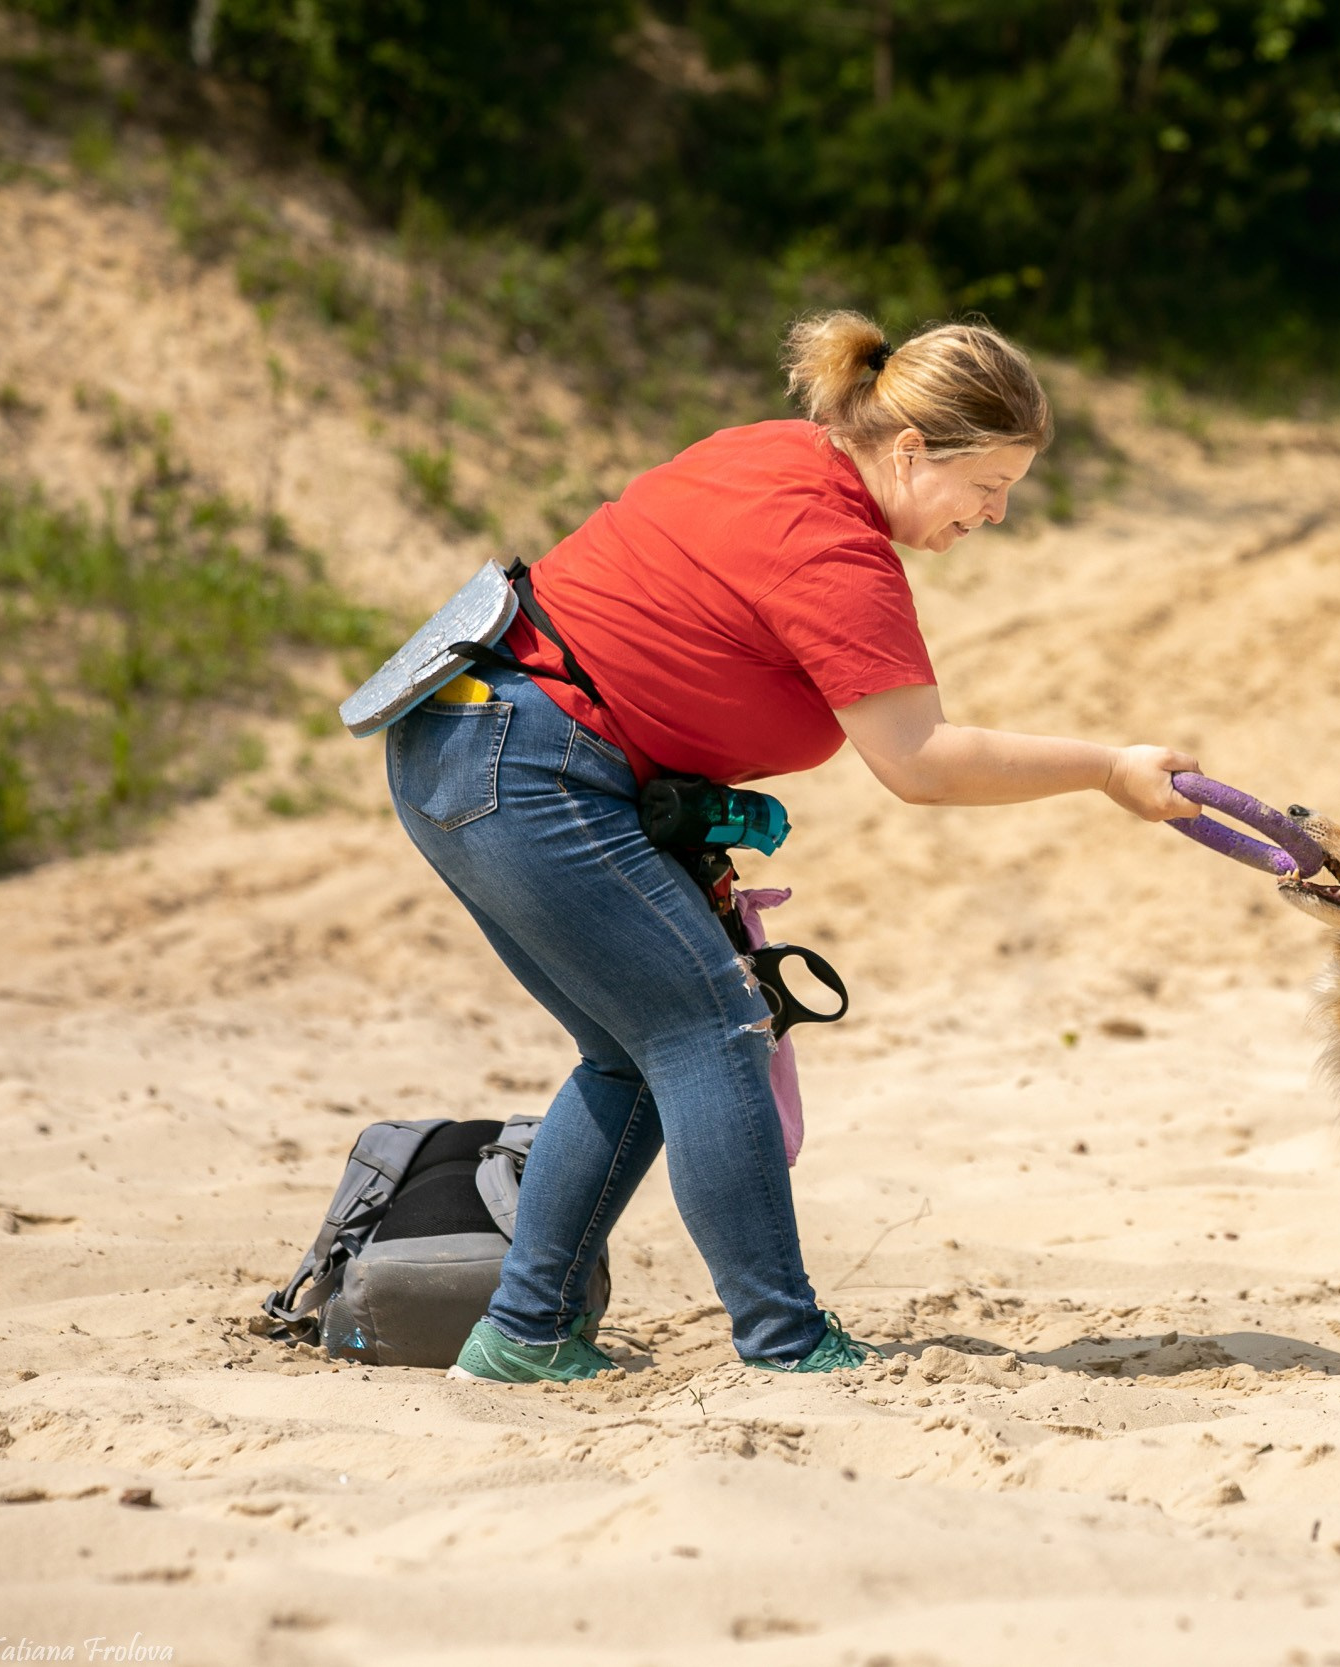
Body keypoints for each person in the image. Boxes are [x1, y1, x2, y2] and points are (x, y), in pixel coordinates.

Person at [384, 311, 1200, 1382]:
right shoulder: (835, 549)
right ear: (909, 450)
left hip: (460, 740)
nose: (996, 513)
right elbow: (918, 761)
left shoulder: (774, 453)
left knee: (638, 1047)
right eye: (988, 484)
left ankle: (525, 1334)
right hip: (528, 762)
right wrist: (1105, 768)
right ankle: (787, 1341)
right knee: (718, 1027)